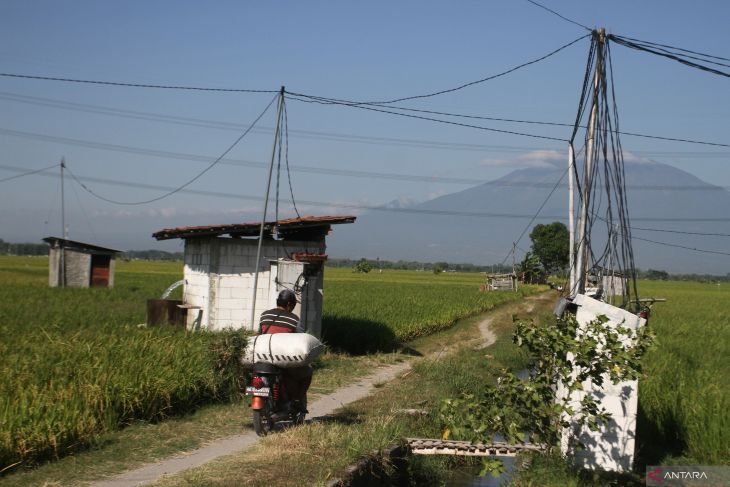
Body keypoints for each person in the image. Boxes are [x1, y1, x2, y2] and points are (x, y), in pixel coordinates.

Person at [259, 289, 312, 412]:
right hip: (283, 359)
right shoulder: (294, 319)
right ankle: (298, 400)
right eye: (293, 305)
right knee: (308, 372)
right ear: (289, 304)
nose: (292, 308)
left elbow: (260, 333)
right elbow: (300, 339)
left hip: (264, 357)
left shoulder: (264, 315)